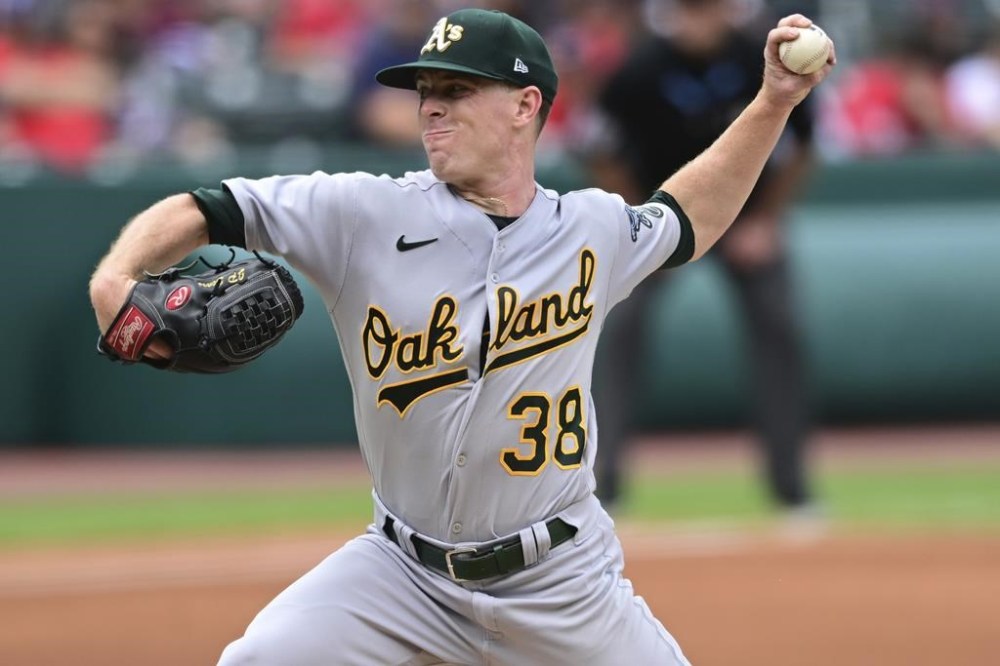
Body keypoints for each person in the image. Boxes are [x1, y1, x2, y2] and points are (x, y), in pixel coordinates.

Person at [89, 7, 834, 665]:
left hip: (559, 583)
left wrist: (774, 100)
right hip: (400, 574)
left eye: (456, 91)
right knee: (260, 659)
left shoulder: (593, 228)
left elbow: (689, 215)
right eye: (426, 94)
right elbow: (205, 206)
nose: (430, 111)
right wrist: (115, 277)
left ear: (525, 105)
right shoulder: (362, 212)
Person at [587, 0, 818, 515]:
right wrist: (636, 220)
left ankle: (793, 490)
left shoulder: (754, 60)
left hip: (744, 223)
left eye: (708, 9)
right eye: (691, 10)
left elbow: (804, 145)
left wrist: (765, 221)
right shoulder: (641, 68)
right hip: (655, 223)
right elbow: (598, 147)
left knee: (780, 331)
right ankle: (603, 488)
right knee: (614, 336)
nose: (699, 21)